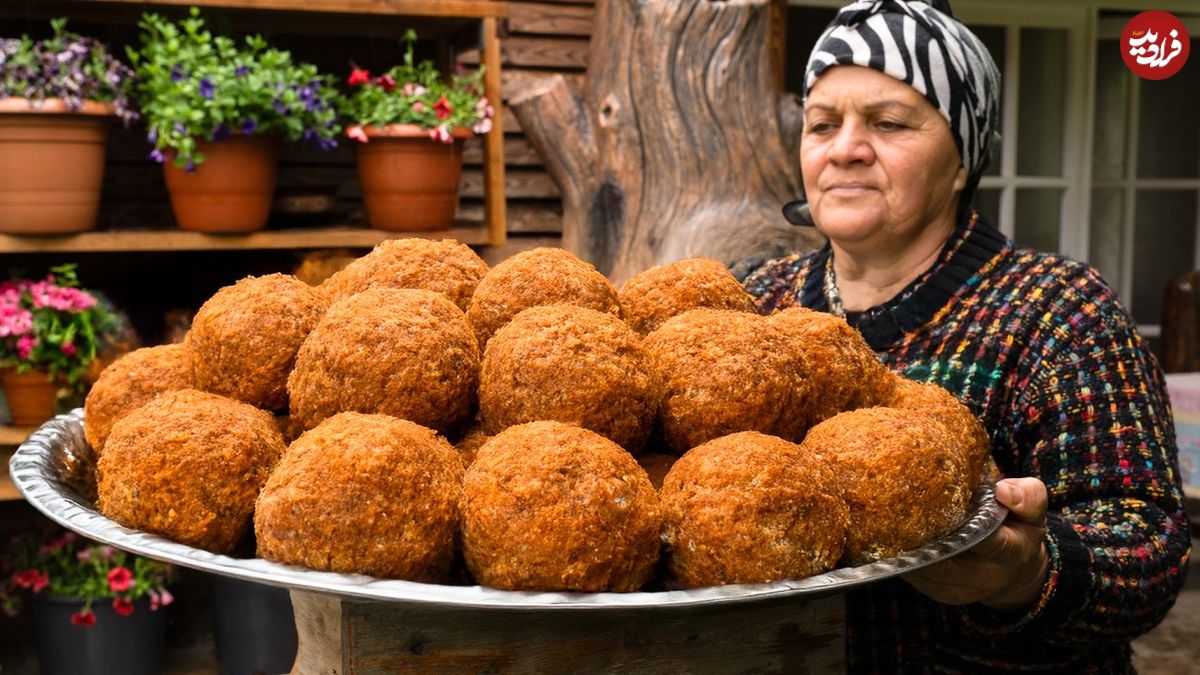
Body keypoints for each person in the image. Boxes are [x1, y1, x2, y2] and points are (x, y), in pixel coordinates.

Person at [740, 0, 1192, 671]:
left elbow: (1151, 547)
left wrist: (1028, 572)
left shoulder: (1061, 312)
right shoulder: (751, 302)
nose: (845, 148)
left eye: (889, 123)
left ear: (962, 159)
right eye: (821, 124)